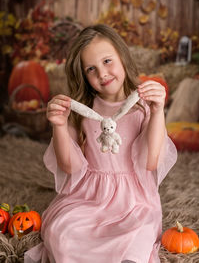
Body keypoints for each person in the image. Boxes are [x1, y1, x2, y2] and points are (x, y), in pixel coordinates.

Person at [25, 24, 177, 263]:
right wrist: (59, 125)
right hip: (89, 196)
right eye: (91, 69)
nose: (102, 74)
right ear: (84, 75)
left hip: (133, 201)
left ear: (122, 57)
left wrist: (158, 111)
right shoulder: (82, 110)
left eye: (107, 61)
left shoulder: (142, 106)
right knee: (62, 232)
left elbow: (150, 161)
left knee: (137, 238)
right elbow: (70, 167)